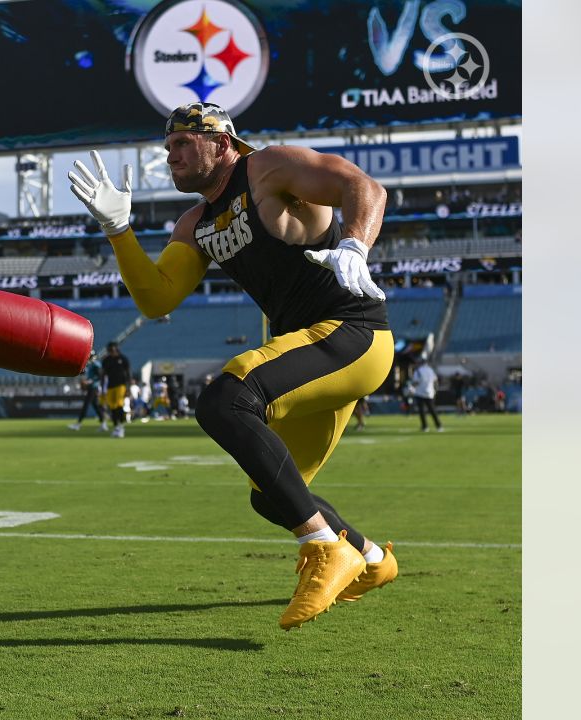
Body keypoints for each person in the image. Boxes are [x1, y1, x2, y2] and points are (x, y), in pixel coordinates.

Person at [69, 102, 396, 630]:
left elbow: (366, 189)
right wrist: (118, 229)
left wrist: (355, 245)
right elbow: (157, 299)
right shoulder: (196, 223)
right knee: (274, 495)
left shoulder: (267, 167)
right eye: (167, 145)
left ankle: (323, 547)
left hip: (352, 333)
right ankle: (373, 561)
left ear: (220, 143)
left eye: (181, 143)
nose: (169, 155)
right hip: (311, 349)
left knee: (226, 399)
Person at [67, 352, 107, 432]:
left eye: (90, 356)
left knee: (86, 405)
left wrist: (89, 382)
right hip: (92, 387)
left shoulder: (96, 364)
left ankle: (78, 424)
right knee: (95, 406)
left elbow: (99, 376)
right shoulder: (92, 364)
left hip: (93, 387)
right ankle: (103, 424)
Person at [100, 342, 130, 438]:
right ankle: (116, 427)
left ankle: (121, 427)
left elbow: (128, 373)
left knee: (118, 405)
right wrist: (102, 387)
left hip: (121, 385)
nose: (112, 350)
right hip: (110, 386)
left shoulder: (123, 359)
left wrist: (128, 387)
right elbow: (103, 374)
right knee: (112, 407)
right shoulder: (106, 360)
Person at [409, 357, 443, 432]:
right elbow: (435, 381)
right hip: (430, 393)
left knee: (422, 411)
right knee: (432, 410)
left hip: (420, 393)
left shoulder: (418, 371)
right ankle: (439, 426)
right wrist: (435, 390)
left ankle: (425, 427)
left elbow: (416, 382)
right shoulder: (430, 370)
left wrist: (411, 387)